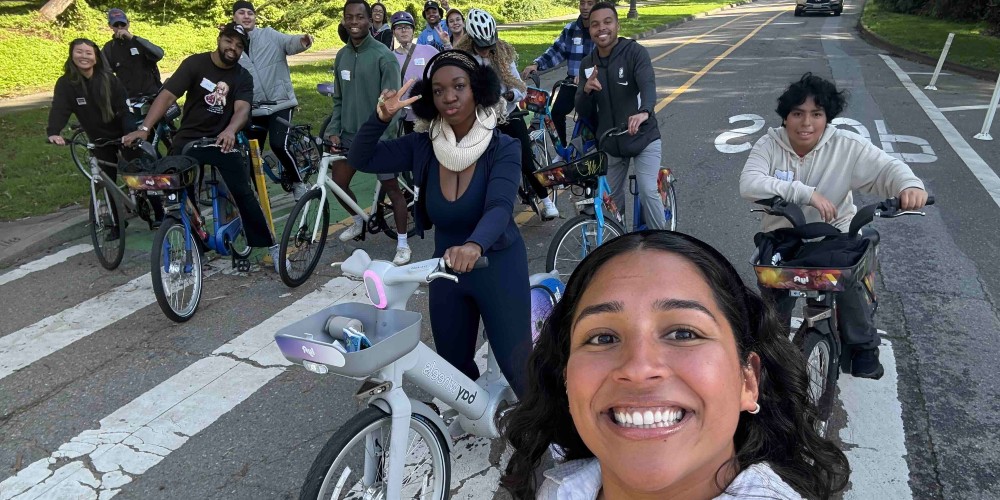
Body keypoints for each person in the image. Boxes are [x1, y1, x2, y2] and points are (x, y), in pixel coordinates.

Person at [500, 230, 851, 499]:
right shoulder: (561, 488)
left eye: (683, 333)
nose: (638, 369)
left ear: (748, 381)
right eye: (603, 338)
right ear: (565, 379)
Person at [347, 50, 532, 397]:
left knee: (519, 368)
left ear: (477, 89)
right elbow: (360, 157)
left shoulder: (503, 146)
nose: (449, 97)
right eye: (438, 90)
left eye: (459, 86)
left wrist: (475, 245)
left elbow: (499, 207)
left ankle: (552, 443)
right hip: (445, 270)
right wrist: (380, 116)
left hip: (497, 265)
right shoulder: (423, 145)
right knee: (453, 369)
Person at [740, 72, 928, 379]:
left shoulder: (846, 145)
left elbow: (887, 168)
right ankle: (772, 356)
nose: (806, 123)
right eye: (797, 114)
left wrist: (909, 185)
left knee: (848, 283)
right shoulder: (769, 145)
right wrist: (807, 193)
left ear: (828, 118)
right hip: (783, 238)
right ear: (785, 118)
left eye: (817, 114)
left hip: (834, 236)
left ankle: (864, 348)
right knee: (773, 306)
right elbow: (749, 184)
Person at [123, 22, 274, 252]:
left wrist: (230, 130)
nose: (232, 47)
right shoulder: (195, 64)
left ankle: (266, 245)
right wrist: (144, 128)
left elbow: (243, 110)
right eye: (229, 40)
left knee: (243, 190)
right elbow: (166, 96)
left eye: (239, 45)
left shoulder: (243, 76)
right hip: (189, 139)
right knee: (176, 185)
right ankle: (196, 240)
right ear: (219, 38)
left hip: (223, 140)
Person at [326, 0, 412, 265]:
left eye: (360, 17)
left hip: (379, 138)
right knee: (339, 183)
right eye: (349, 17)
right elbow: (338, 100)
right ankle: (357, 221)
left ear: (369, 20)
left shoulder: (383, 57)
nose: (354, 22)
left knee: (393, 191)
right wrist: (333, 129)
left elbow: (392, 105)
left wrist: (382, 134)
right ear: (343, 20)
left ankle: (402, 243)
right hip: (350, 136)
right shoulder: (341, 55)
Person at [458, 9, 559, 220]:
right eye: (481, 47)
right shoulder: (463, 59)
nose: (486, 51)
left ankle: (546, 200)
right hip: (481, 118)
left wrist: (509, 94)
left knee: (526, 160)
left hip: (508, 115)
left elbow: (521, 87)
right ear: (471, 40)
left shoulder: (502, 54)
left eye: (489, 46)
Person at [575, 2, 667, 229]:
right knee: (610, 202)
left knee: (647, 190)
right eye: (595, 25)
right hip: (610, 143)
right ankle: (620, 243)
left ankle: (664, 243)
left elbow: (648, 85)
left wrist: (644, 112)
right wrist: (586, 91)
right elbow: (582, 110)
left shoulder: (634, 52)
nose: (601, 28)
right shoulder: (588, 64)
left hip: (643, 137)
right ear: (590, 30)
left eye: (607, 22)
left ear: (617, 24)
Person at [47, 38, 152, 232]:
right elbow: (60, 108)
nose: (83, 56)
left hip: (122, 134)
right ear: (72, 55)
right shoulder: (66, 84)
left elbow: (125, 109)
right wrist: (54, 132)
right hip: (99, 140)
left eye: (88, 53)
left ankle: (158, 212)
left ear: (96, 57)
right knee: (107, 181)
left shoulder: (109, 79)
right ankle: (117, 225)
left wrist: (130, 134)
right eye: (79, 52)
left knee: (137, 174)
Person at [232, 0, 314, 201]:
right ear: (234, 17)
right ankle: (261, 196)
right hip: (255, 107)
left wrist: (302, 40)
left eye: (250, 13)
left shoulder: (269, 34)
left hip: (280, 103)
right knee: (252, 154)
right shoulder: (232, 44)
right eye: (241, 13)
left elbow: (289, 42)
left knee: (279, 145)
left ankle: (298, 183)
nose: (246, 16)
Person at [522, 0, 596, 146]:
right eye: (582, 3)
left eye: (590, 3)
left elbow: (606, 59)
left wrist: (585, 76)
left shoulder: (599, 30)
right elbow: (556, 51)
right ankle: (563, 149)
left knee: (592, 118)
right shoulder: (571, 29)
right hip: (571, 82)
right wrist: (536, 64)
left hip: (593, 84)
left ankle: (594, 150)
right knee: (556, 113)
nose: (585, 7)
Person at [390, 11, 438, 135]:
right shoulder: (390, 58)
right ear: (394, 32)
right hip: (407, 114)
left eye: (407, 27)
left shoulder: (429, 50)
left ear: (413, 30)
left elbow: (447, 69)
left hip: (432, 110)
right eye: (399, 28)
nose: (403, 30)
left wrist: (448, 44)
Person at [101, 8, 164, 98]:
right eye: (116, 24)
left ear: (128, 23)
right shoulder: (109, 48)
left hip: (152, 94)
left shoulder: (140, 42)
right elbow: (104, 73)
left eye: (122, 24)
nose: (120, 27)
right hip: (128, 98)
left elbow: (159, 54)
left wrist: (131, 38)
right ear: (110, 26)